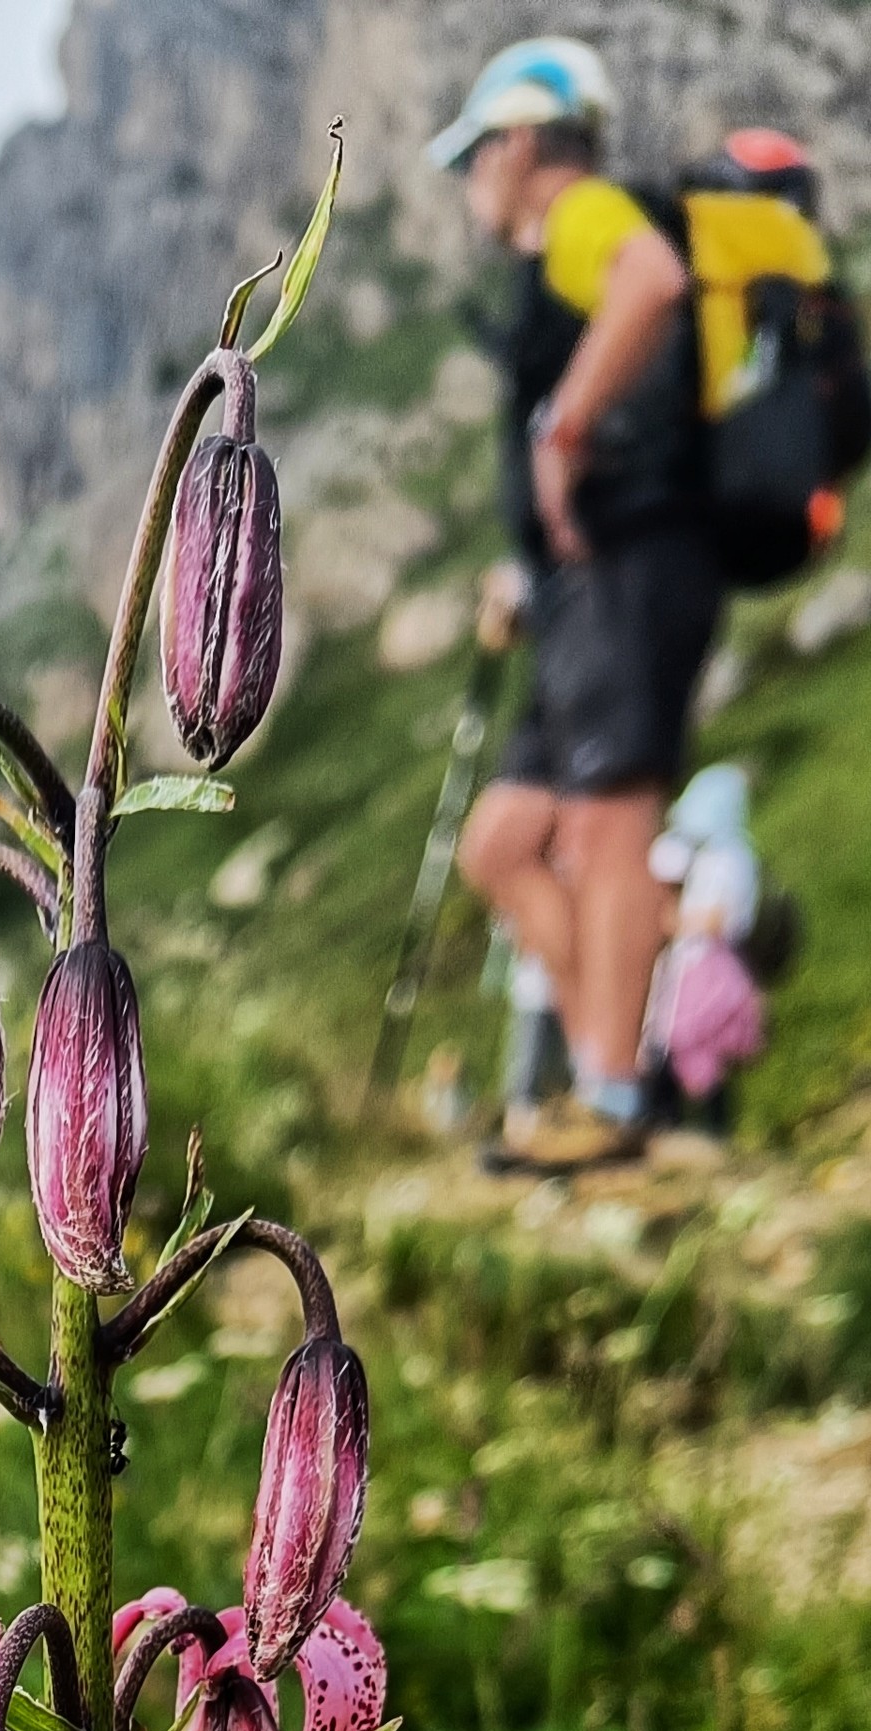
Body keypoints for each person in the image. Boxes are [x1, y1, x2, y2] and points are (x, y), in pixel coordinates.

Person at [436, 39, 725, 1171]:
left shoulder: (587, 212)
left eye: (473, 155)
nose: (469, 181)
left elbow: (654, 281)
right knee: (503, 843)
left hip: (633, 566)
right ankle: (618, 1063)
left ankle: (608, 1102)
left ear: (519, 146)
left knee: (609, 825)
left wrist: (560, 434)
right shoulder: (553, 257)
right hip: (574, 589)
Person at [642, 760, 766, 1132]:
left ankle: (702, 1129)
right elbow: (663, 860)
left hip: (708, 966)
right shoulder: (709, 853)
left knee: (694, 1041)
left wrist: (677, 922)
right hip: (691, 963)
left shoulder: (731, 858)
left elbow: (718, 917)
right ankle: (681, 1125)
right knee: (677, 1044)